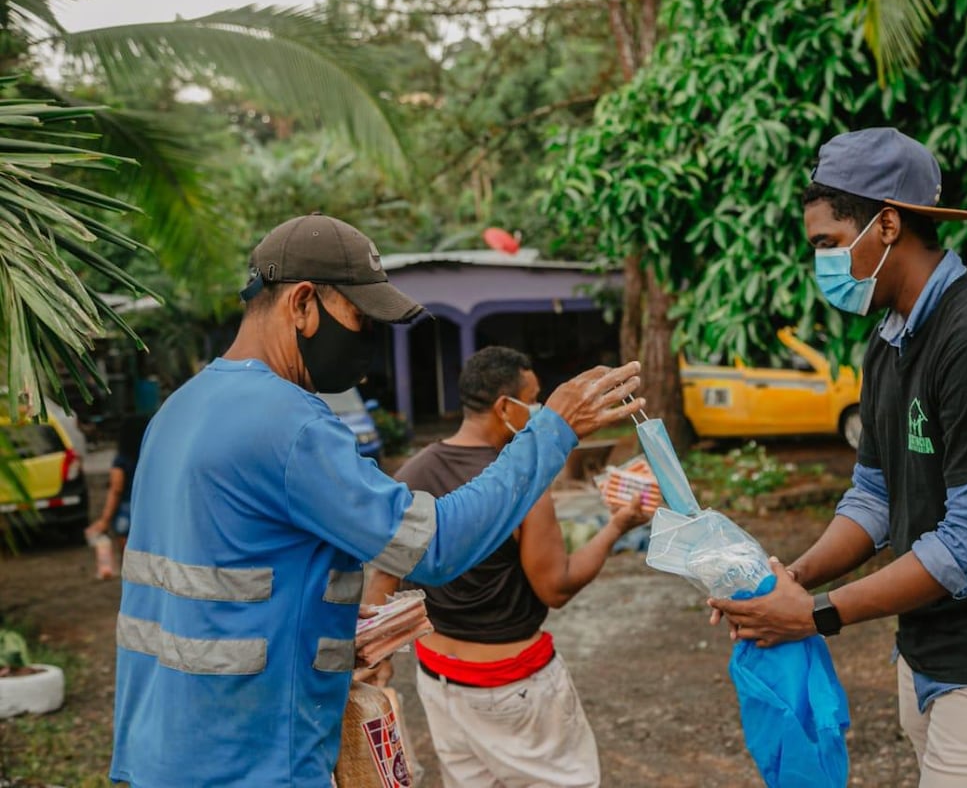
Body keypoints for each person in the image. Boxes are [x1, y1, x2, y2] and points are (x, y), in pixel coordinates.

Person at [108, 213, 644, 788]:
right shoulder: (289, 424)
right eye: (360, 319)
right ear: (303, 304)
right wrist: (552, 430)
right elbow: (433, 545)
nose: (366, 341)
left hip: (160, 752)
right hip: (252, 762)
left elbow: (219, 575)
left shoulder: (178, 411)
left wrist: (324, 620)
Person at [708, 128, 967, 788]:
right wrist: (793, 578)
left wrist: (816, 614)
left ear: (887, 224)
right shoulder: (889, 341)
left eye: (828, 244)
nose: (821, 265)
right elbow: (874, 496)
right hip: (932, 652)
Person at [358, 345, 651, 788]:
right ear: (504, 407)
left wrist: (374, 659)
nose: (537, 410)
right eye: (533, 400)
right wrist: (618, 526)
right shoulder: (518, 482)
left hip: (438, 679)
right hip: (513, 687)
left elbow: (384, 575)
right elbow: (556, 587)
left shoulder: (410, 475)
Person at [84, 414, 150, 577]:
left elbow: (116, 489)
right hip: (148, 509)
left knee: (131, 559)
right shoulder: (151, 458)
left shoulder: (121, 461)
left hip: (126, 512)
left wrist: (105, 519)